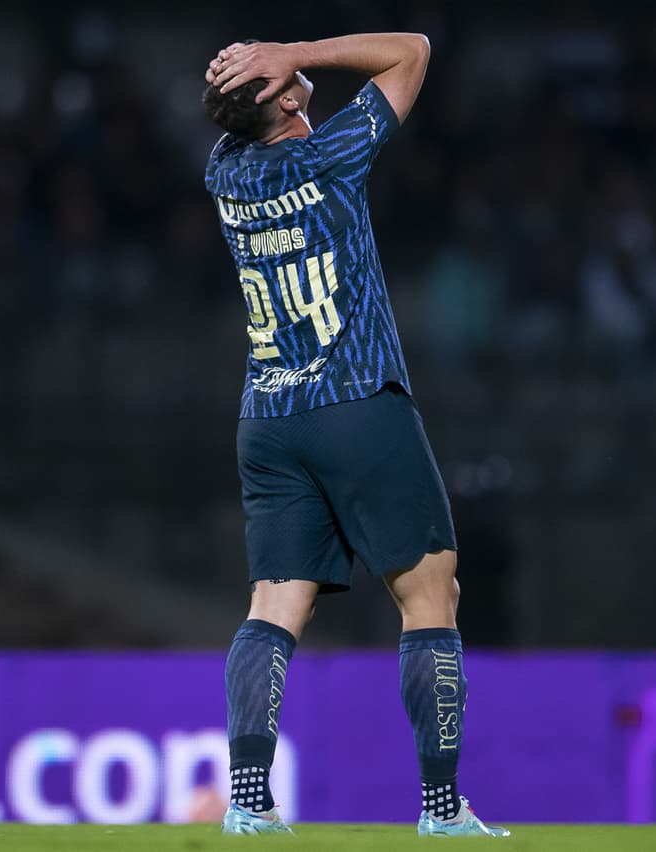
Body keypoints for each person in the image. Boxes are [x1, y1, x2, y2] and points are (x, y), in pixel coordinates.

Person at [201, 34, 508, 837]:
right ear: (289, 101)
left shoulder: (224, 172)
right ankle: (441, 812)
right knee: (431, 595)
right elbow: (413, 50)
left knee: (273, 606)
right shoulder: (330, 156)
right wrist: (295, 50)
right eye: (288, 79)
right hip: (357, 402)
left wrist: (254, 75)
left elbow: (243, 120)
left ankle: (247, 803)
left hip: (268, 415)